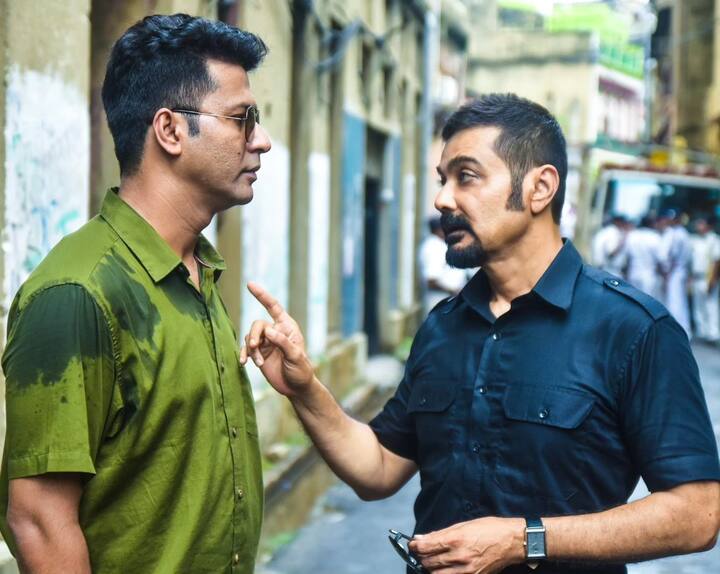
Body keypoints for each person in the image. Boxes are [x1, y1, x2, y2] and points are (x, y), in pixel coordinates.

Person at [242, 94, 720, 574]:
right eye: (442, 180)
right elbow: (379, 468)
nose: (442, 200)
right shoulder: (443, 326)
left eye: (466, 176)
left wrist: (523, 540)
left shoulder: (634, 329)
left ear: (539, 188)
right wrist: (304, 388)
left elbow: (696, 513)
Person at [0, 14, 271, 573]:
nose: (261, 141)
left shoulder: (196, 269)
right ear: (170, 131)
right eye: (243, 119)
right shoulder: (79, 293)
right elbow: (39, 521)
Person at [419, 217, 470, 314]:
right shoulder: (434, 246)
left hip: (447, 299)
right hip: (440, 299)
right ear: (438, 230)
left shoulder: (439, 244)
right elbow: (431, 281)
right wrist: (454, 291)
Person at [658, 209, 692, 335]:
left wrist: (667, 274)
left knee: (674, 302)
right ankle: (683, 330)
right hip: (679, 271)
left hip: (675, 271)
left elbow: (672, 256)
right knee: (679, 302)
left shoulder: (676, 234)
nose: (668, 220)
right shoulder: (683, 233)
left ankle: (676, 331)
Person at [690, 217, 720, 344]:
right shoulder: (695, 240)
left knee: (710, 306)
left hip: (708, 278)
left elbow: (717, 262)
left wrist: (712, 280)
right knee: (698, 306)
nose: (698, 226)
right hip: (696, 277)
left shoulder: (714, 240)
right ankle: (702, 332)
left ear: (708, 225)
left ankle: (713, 334)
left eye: (701, 223)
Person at [625, 215, 663, 299]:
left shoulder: (632, 235)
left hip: (633, 273)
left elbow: (627, 257)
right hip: (649, 276)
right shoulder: (655, 237)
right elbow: (660, 259)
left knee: (633, 300)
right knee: (648, 302)